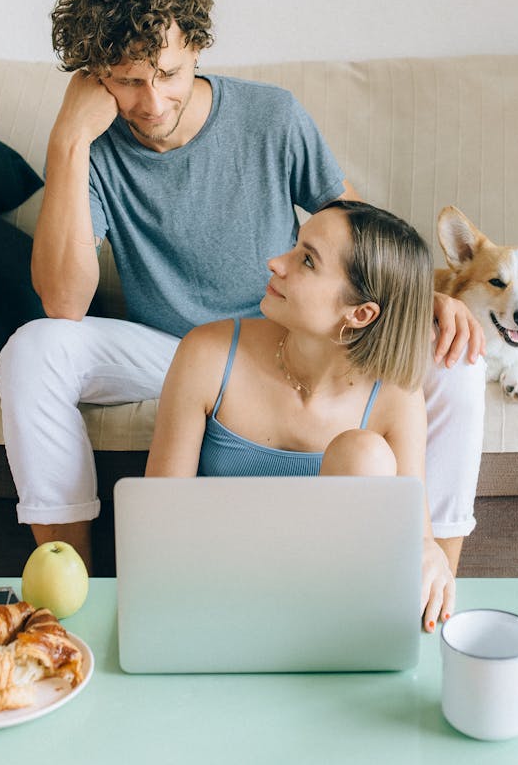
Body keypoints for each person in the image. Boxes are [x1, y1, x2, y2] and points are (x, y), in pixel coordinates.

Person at [0, 0, 486, 571]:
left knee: (460, 362)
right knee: (34, 349)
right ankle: (76, 583)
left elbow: (356, 236)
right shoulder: (92, 146)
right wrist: (68, 140)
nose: (151, 103)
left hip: (287, 329)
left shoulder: (271, 116)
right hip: (178, 353)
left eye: (168, 74)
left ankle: (437, 582)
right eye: (128, 81)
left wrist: (423, 300)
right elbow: (63, 303)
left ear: (196, 49)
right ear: (95, 75)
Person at [146, 198, 453, 631]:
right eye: (295, 247)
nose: (276, 263)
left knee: (363, 452)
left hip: (328, 616)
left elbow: (413, 538)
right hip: (220, 594)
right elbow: (158, 521)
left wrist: (431, 554)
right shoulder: (208, 353)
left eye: (306, 260)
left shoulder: (396, 397)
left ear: (361, 313)